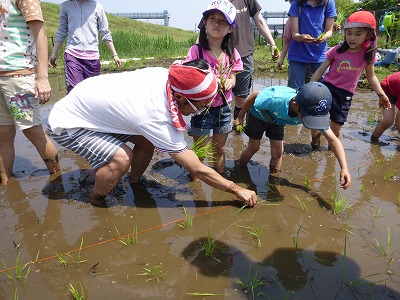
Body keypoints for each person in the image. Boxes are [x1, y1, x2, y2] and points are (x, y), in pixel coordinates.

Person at [47, 59, 258, 207]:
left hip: (96, 111)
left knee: (147, 142)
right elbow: (197, 168)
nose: (202, 110)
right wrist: (237, 189)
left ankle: (134, 181)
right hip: (70, 123)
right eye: (201, 105)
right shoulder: (154, 115)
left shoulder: (169, 77)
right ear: (182, 98)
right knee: (121, 159)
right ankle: (97, 199)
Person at [234, 82, 351, 189]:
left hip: (278, 120)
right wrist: (240, 117)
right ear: (295, 105)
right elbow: (254, 95)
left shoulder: (312, 111)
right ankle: (240, 168)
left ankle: (274, 182)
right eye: (309, 118)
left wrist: (344, 168)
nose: (313, 122)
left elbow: (334, 141)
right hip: (258, 115)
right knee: (254, 147)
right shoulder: (276, 99)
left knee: (278, 152)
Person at [0, 0, 61, 185]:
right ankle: (5, 184)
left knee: (33, 132)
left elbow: (40, 35)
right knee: (2, 135)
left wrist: (42, 78)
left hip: (18, 75)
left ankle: (58, 179)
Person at [310, 11, 390, 148]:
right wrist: (310, 88)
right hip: (327, 88)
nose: (352, 38)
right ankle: (315, 142)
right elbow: (320, 70)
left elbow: (371, 77)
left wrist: (381, 94)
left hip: (345, 95)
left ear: (369, 35)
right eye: (349, 33)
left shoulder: (367, 56)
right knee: (317, 119)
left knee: (336, 127)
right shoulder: (336, 51)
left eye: (358, 34)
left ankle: (331, 150)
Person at [185, 0, 243, 174]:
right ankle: (195, 181)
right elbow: (190, 75)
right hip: (202, 107)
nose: (216, 23)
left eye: (222, 20)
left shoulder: (232, 52)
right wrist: (212, 81)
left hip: (224, 108)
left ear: (230, 28)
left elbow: (234, 73)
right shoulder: (197, 51)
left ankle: (220, 177)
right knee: (200, 151)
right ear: (204, 23)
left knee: (219, 150)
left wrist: (231, 80)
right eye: (212, 19)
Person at [49, 0, 121, 93]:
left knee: (92, 93)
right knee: (74, 91)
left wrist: (114, 54)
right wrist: (54, 53)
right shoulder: (66, 6)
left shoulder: (98, 7)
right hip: (72, 54)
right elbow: (62, 30)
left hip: (93, 57)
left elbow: (105, 32)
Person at [226, 0, 279, 123]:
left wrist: (273, 44)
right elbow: (205, 28)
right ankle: (220, 129)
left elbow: (259, 21)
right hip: (221, 55)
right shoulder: (219, 2)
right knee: (220, 96)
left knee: (241, 98)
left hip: (244, 53)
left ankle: (237, 126)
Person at [287, 0, 337, 90]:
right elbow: (294, 34)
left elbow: (329, 31)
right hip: (298, 55)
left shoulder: (328, 3)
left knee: (323, 89)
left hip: (319, 54)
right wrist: (302, 37)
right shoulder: (297, 4)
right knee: (294, 91)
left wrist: (323, 38)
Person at [371, 72, 400, 141]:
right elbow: (398, 122)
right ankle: (373, 140)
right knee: (388, 120)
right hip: (387, 88)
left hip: (397, 88)